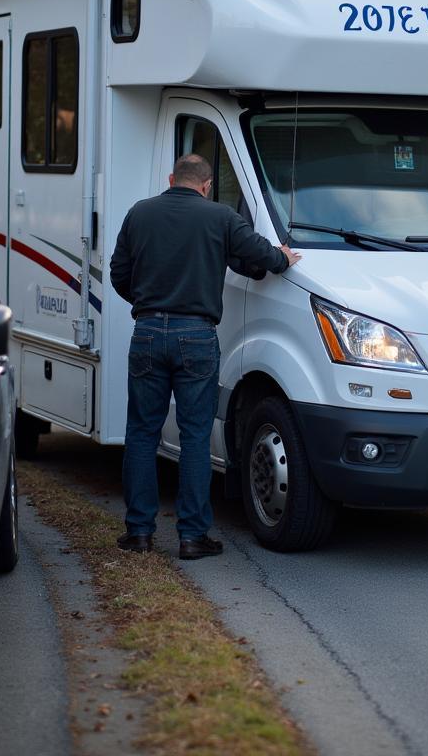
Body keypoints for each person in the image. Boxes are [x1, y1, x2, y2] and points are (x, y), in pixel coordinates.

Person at [109, 153, 301, 559]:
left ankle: (139, 533)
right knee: (196, 435)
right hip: (196, 335)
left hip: (146, 332)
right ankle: (192, 537)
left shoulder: (139, 214)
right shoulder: (221, 217)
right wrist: (283, 257)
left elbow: (118, 274)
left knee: (142, 433)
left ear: (171, 178)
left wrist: (148, 305)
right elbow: (262, 256)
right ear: (207, 185)